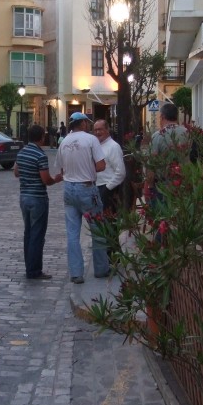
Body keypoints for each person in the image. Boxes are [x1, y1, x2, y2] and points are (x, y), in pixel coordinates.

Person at [56, 112, 107, 283]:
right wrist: (88, 167)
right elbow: (101, 165)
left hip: (69, 189)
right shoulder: (91, 140)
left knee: (72, 233)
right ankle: (101, 268)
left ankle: (76, 272)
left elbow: (61, 170)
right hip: (87, 188)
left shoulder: (63, 142)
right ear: (83, 123)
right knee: (97, 230)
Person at [13, 124, 62, 280]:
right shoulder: (40, 155)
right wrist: (56, 179)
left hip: (24, 196)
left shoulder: (22, 152)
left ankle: (29, 267)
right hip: (38, 198)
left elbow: (16, 172)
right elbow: (45, 179)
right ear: (42, 137)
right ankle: (34, 270)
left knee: (28, 233)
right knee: (37, 235)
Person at [143, 103, 190, 238]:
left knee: (161, 221)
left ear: (162, 116)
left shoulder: (157, 136)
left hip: (162, 186)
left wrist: (149, 186)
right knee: (180, 220)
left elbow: (152, 164)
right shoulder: (187, 133)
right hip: (182, 183)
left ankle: (163, 250)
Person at [93, 119, 126, 260]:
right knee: (102, 223)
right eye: (95, 130)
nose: (97, 132)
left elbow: (121, 172)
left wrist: (107, 188)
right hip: (97, 188)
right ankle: (106, 256)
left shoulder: (113, 147)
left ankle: (113, 257)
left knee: (110, 223)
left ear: (107, 130)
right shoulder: (96, 146)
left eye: (100, 129)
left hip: (108, 189)